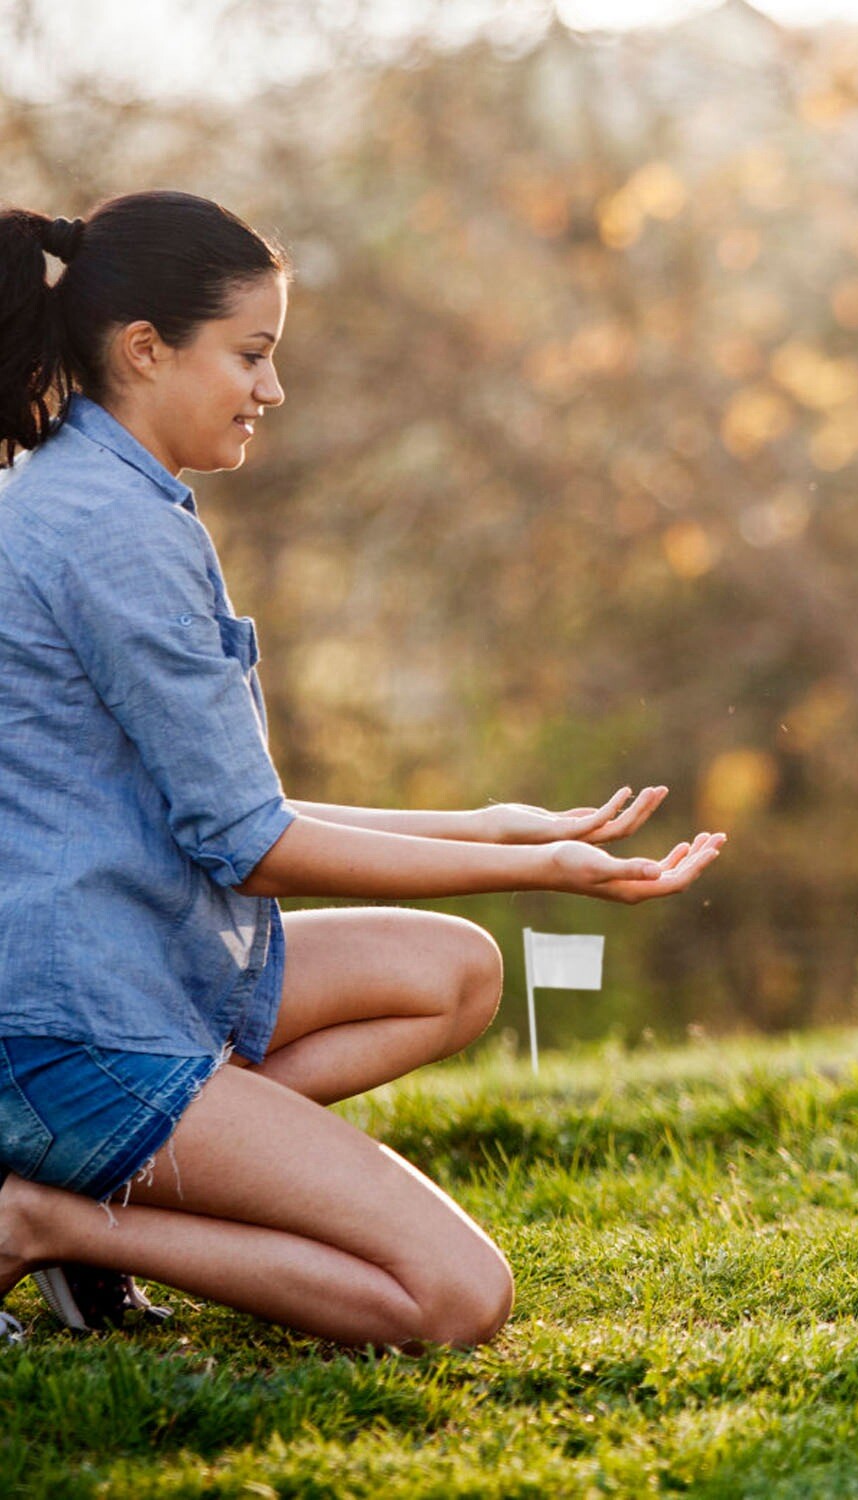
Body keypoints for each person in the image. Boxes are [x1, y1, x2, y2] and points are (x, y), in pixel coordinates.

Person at [0, 191, 725, 1352]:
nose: (271, 390)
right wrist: (541, 868)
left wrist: (490, 826)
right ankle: (53, 1221)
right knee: (455, 1297)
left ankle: (118, 1194)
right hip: (78, 1030)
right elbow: (255, 846)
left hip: (136, 964)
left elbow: (224, 810)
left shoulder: (102, 497)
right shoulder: (110, 531)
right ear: (146, 350)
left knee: (451, 973)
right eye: (251, 354)